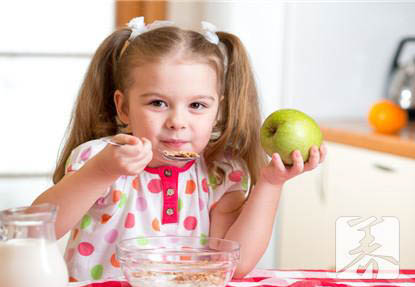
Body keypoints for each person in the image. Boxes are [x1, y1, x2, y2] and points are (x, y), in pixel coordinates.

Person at [32, 17, 327, 282]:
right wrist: (101, 171)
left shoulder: (221, 171)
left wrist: (272, 183)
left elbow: (234, 265)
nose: (177, 122)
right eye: (157, 103)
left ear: (217, 110)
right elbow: (36, 233)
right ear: (123, 107)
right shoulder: (101, 158)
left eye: (197, 105)